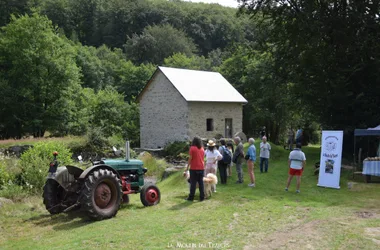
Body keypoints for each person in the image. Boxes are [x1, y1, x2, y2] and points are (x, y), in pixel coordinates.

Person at [185, 136, 205, 201]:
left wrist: (187, 167)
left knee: (193, 183)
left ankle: (191, 197)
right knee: (201, 183)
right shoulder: (202, 149)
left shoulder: (192, 148)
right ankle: (202, 197)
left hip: (194, 168)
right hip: (201, 168)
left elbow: (190, 158)